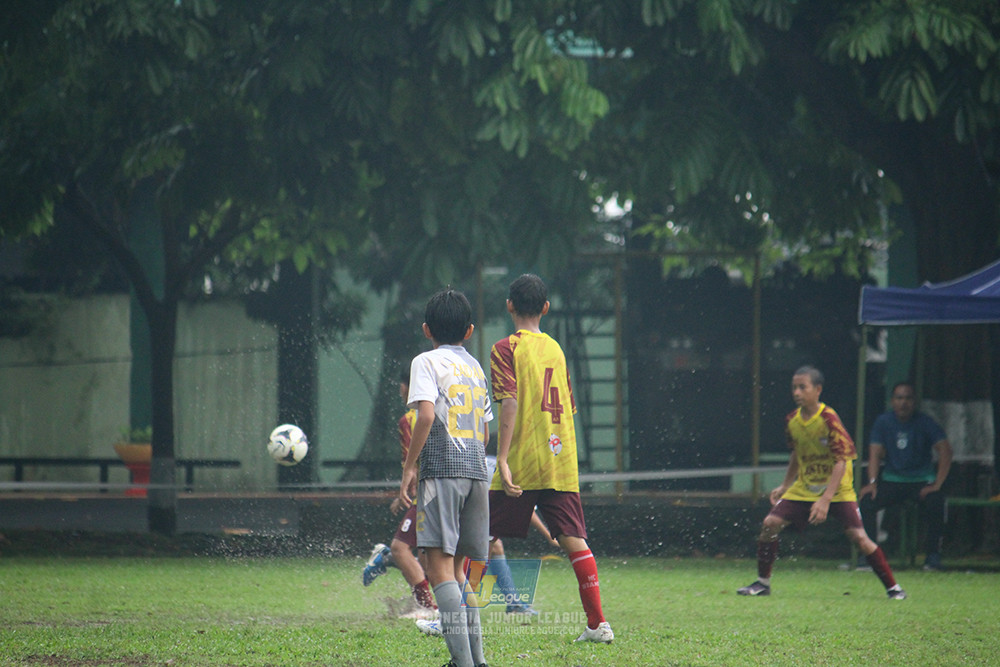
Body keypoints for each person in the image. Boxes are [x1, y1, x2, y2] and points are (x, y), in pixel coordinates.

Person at [488, 273, 614, 643]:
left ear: (509, 306)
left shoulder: (505, 348)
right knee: (575, 541)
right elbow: (568, 407)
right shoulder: (556, 349)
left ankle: (452, 619)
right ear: (545, 307)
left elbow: (509, 402)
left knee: (477, 535)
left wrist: (502, 458)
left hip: (524, 458)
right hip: (560, 458)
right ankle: (598, 624)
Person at [738, 365, 907, 600]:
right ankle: (762, 583)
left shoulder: (828, 418)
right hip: (805, 488)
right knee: (770, 523)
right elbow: (797, 453)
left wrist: (826, 500)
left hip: (837, 490)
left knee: (859, 537)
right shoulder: (792, 420)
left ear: (818, 390)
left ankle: (894, 588)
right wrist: (786, 485)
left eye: (802, 387)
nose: (797, 392)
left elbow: (841, 461)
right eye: (794, 388)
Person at [399, 289, 492, 667]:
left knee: (438, 568)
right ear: (469, 331)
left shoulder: (425, 361)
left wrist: (410, 466)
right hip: (477, 472)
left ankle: (463, 663)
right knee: (458, 571)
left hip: (442, 471)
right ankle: (477, 660)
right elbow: (485, 431)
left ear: (426, 329)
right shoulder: (476, 368)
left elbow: (425, 415)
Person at [361, 370, 437, 619]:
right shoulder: (447, 413)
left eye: (402, 385)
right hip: (449, 491)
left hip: (429, 493)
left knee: (404, 549)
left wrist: (404, 491)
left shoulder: (411, 419)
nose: (400, 390)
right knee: (423, 553)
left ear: (408, 387)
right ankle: (430, 605)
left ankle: (427, 606)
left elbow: (411, 464)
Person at [859, 381, 953, 571]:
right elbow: (874, 453)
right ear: (892, 401)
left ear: (914, 401)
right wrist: (872, 482)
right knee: (867, 500)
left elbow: (945, 450)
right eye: (899, 398)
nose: (903, 403)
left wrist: (937, 483)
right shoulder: (883, 422)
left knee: (936, 501)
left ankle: (932, 556)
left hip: (921, 481)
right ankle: (870, 556)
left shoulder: (925, 422)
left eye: (908, 398)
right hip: (892, 480)